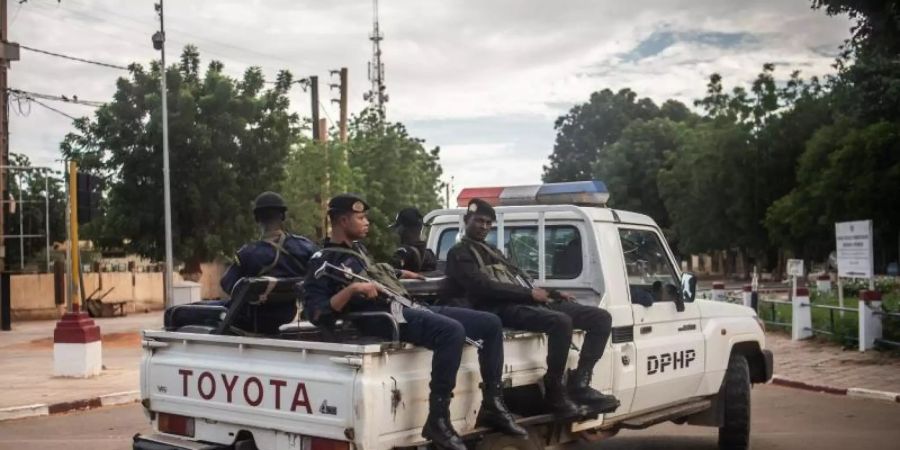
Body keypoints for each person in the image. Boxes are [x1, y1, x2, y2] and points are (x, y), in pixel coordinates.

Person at [303, 194, 526, 450]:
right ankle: (438, 419)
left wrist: (398, 273)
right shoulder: (322, 261)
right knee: (451, 331)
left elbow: (373, 272)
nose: (367, 223)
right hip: (378, 319)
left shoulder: (358, 251)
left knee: (490, 323)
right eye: (361, 218)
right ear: (343, 220)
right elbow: (316, 313)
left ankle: (493, 403)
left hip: (401, 307)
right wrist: (352, 291)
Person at [443, 198, 619, 416]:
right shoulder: (459, 253)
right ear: (467, 220)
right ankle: (555, 389)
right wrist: (530, 295)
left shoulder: (492, 250)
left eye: (489, 223)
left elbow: (520, 278)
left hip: (522, 300)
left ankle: (580, 383)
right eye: (479, 221)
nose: (484, 227)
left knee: (600, 318)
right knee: (560, 322)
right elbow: (481, 287)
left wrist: (553, 294)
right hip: (497, 308)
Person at [219, 191, 318, 334]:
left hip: (254, 323)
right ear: (283, 216)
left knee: (182, 312)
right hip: (293, 318)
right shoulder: (306, 248)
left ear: (256, 218)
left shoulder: (247, 254)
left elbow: (228, 285)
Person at [390, 207, 437, 273]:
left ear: (403, 229)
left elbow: (389, 274)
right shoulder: (429, 255)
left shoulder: (402, 253)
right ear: (420, 227)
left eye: (397, 228)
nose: (396, 231)